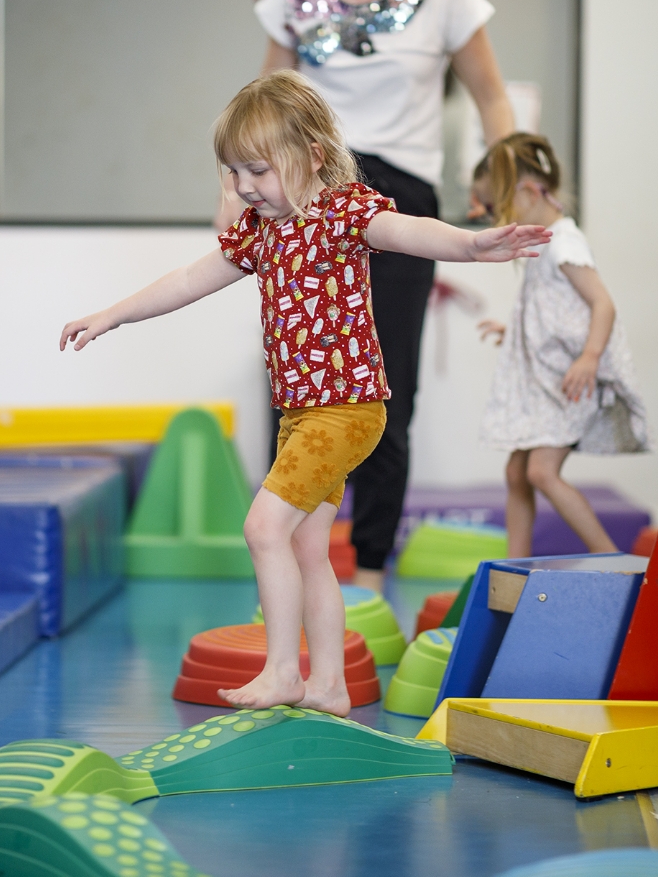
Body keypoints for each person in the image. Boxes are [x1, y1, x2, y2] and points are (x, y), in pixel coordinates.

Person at [64, 71, 548, 713]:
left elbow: (410, 233)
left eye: (257, 171)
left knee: (263, 527)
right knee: (305, 546)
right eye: (233, 173)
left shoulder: (343, 210)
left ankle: (283, 673)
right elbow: (187, 279)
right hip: (304, 415)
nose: (243, 188)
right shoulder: (261, 234)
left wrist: (470, 244)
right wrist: (114, 314)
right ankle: (328, 684)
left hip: (346, 409)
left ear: (312, 156)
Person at [219, 0, 518, 593]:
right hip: (306, 183)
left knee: (388, 382)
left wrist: (504, 172)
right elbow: (264, 95)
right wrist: (234, 191)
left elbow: (492, 98)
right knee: (297, 373)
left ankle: (373, 567)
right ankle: (288, 562)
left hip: (400, 193)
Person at [473, 133, 650, 558]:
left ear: (531, 192)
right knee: (517, 471)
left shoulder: (564, 243)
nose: (489, 216)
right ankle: (512, 567)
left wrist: (590, 358)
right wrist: (512, 330)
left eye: (496, 205)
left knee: (540, 472)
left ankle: (614, 560)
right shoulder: (545, 241)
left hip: (570, 380)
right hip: (548, 383)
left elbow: (602, 304)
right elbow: (551, 309)